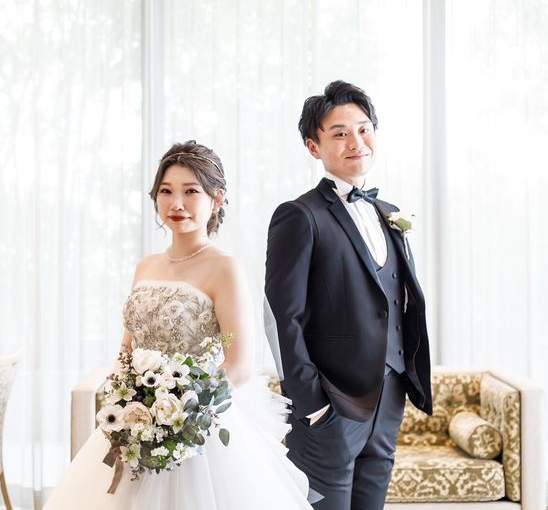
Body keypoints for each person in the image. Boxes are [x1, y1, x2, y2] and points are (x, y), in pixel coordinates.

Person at [44, 140, 313, 510]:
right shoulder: (146, 266)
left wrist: (181, 409)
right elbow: (127, 349)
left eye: (191, 191)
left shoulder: (224, 268)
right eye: (166, 191)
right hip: (136, 421)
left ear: (216, 199)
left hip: (198, 428)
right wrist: (130, 402)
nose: (177, 203)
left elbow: (238, 365)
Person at [265, 81, 432, 510]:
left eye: (363, 129)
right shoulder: (299, 216)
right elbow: (283, 317)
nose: (356, 142)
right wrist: (311, 405)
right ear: (313, 146)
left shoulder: (388, 212)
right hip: (330, 406)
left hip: (388, 399)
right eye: (340, 133)